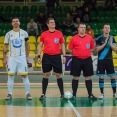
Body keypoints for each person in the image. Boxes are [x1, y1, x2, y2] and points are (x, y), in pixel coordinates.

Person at [3, 17, 32, 100]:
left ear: (19, 23)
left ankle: (28, 93)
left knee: (24, 75)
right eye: (14, 21)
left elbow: (28, 45)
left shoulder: (24, 33)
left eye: (17, 21)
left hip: (21, 57)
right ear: (12, 23)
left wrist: (26, 57)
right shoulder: (8, 34)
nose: (15, 22)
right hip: (11, 58)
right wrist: (4, 58)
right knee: (10, 76)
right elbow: (5, 46)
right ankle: (9, 93)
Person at [37, 18, 66, 100]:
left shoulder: (59, 33)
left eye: (54, 22)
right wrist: (38, 56)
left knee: (58, 75)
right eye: (51, 22)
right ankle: (43, 94)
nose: (53, 23)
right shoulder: (43, 34)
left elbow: (63, 45)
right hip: (46, 56)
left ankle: (62, 94)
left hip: (56, 56)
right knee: (45, 75)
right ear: (47, 24)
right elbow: (40, 46)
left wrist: (64, 56)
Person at [68, 22, 97, 99]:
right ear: (78, 29)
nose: (83, 29)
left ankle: (90, 94)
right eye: (81, 27)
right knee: (75, 77)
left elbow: (93, 48)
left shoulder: (89, 38)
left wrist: (88, 52)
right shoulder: (73, 38)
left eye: (84, 27)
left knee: (88, 77)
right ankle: (74, 95)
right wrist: (76, 53)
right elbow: (69, 49)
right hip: (76, 59)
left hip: (87, 59)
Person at [95, 23, 117, 99]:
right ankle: (102, 94)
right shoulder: (99, 38)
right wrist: (105, 43)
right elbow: (97, 49)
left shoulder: (112, 38)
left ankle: (115, 93)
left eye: (108, 28)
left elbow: (115, 49)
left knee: (112, 76)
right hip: (101, 60)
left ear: (110, 30)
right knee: (101, 77)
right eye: (105, 27)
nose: (107, 29)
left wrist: (110, 43)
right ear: (103, 29)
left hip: (109, 60)